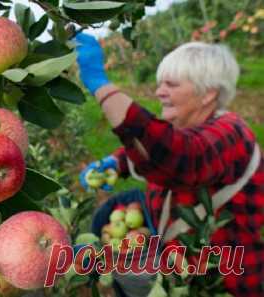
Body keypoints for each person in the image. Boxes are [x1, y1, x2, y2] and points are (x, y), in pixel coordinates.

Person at [75, 33, 264, 297]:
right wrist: (117, 163)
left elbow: (182, 157)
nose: (159, 91)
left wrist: (101, 86)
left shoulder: (232, 132)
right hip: (184, 273)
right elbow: (161, 149)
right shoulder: (189, 127)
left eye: (171, 84)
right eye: (160, 83)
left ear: (208, 94)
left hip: (224, 283)